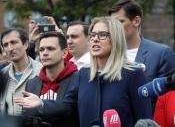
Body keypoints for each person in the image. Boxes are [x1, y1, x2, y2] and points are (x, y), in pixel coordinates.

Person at [14, 17, 152, 127]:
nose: (95, 39)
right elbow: (68, 106)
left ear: (116, 39)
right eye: (92, 35)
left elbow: (144, 121)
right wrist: (42, 103)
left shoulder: (134, 74)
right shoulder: (84, 74)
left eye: (102, 35)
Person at [108, 0, 175, 111]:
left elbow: (168, 100)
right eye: (111, 24)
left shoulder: (161, 54)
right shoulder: (106, 54)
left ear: (136, 21)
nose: (114, 28)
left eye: (119, 22)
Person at [24, 31, 79, 127]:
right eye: (41, 50)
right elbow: (26, 117)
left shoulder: (78, 80)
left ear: (65, 53)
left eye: (50, 49)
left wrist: (42, 104)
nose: (44, 53)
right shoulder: (31, 84)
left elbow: (72, 111)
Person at [0, 28, 42, 116]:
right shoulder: (3, 74)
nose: (10, 48)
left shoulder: (41, 71)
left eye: (13, 42)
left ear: (26, 44)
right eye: (6, 45)